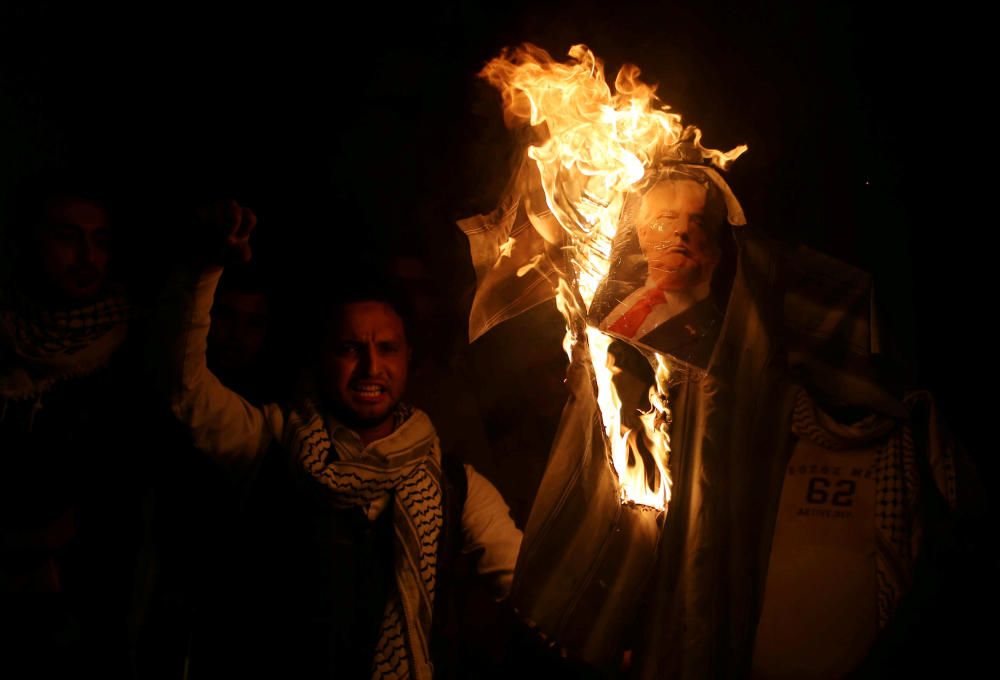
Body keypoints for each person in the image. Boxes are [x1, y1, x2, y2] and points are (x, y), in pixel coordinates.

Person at [157, 201, 522, 679]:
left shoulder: (455, 486)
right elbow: (185, 391)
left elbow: (529, 587)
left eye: (386, 349)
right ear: (321, 358)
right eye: (351, 348)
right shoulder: (270, 443)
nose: (372, 368)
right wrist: (206, 268)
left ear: (408, 357)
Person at [0, 176, 151, 677]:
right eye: (69, 237)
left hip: (87, 607)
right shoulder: (5, 339)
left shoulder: (131, 351)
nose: (87, 256)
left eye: (101, 240)